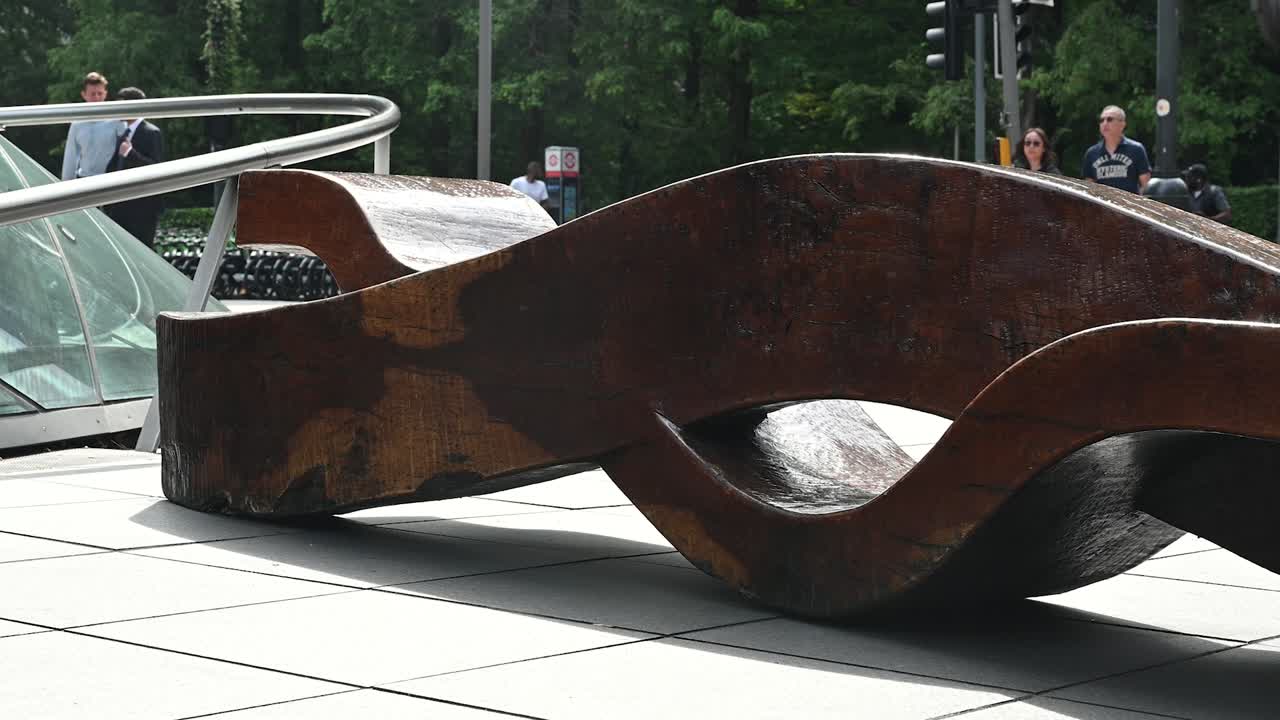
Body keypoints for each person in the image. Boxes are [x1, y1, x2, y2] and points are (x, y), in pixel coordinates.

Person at [104, 87, 165, 248]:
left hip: (142, 211)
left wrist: (131, 153)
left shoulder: (151, 132)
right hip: (121, 208)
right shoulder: (124, 134)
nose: (118, 110)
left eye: (121, 105)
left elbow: (155, 169)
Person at [60, 72, 120, 180]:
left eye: (100, 93)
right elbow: (71, 157)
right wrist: (66, 185)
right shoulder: (77, 124)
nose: (96, 97)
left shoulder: (117, 120)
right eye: (93, 94)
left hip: (111, 180)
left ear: (105, 94)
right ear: (84, 95)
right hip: (84, 179)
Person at [1081, 105, 1151, 194]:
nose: (1105, 123)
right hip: (1102, 205)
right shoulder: (1091, 153)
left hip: (1127, 206)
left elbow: (1146, 185)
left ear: (1122, 124)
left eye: (1109, 119)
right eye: (1102, 120)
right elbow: (1089, 188)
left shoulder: (1136, 149)